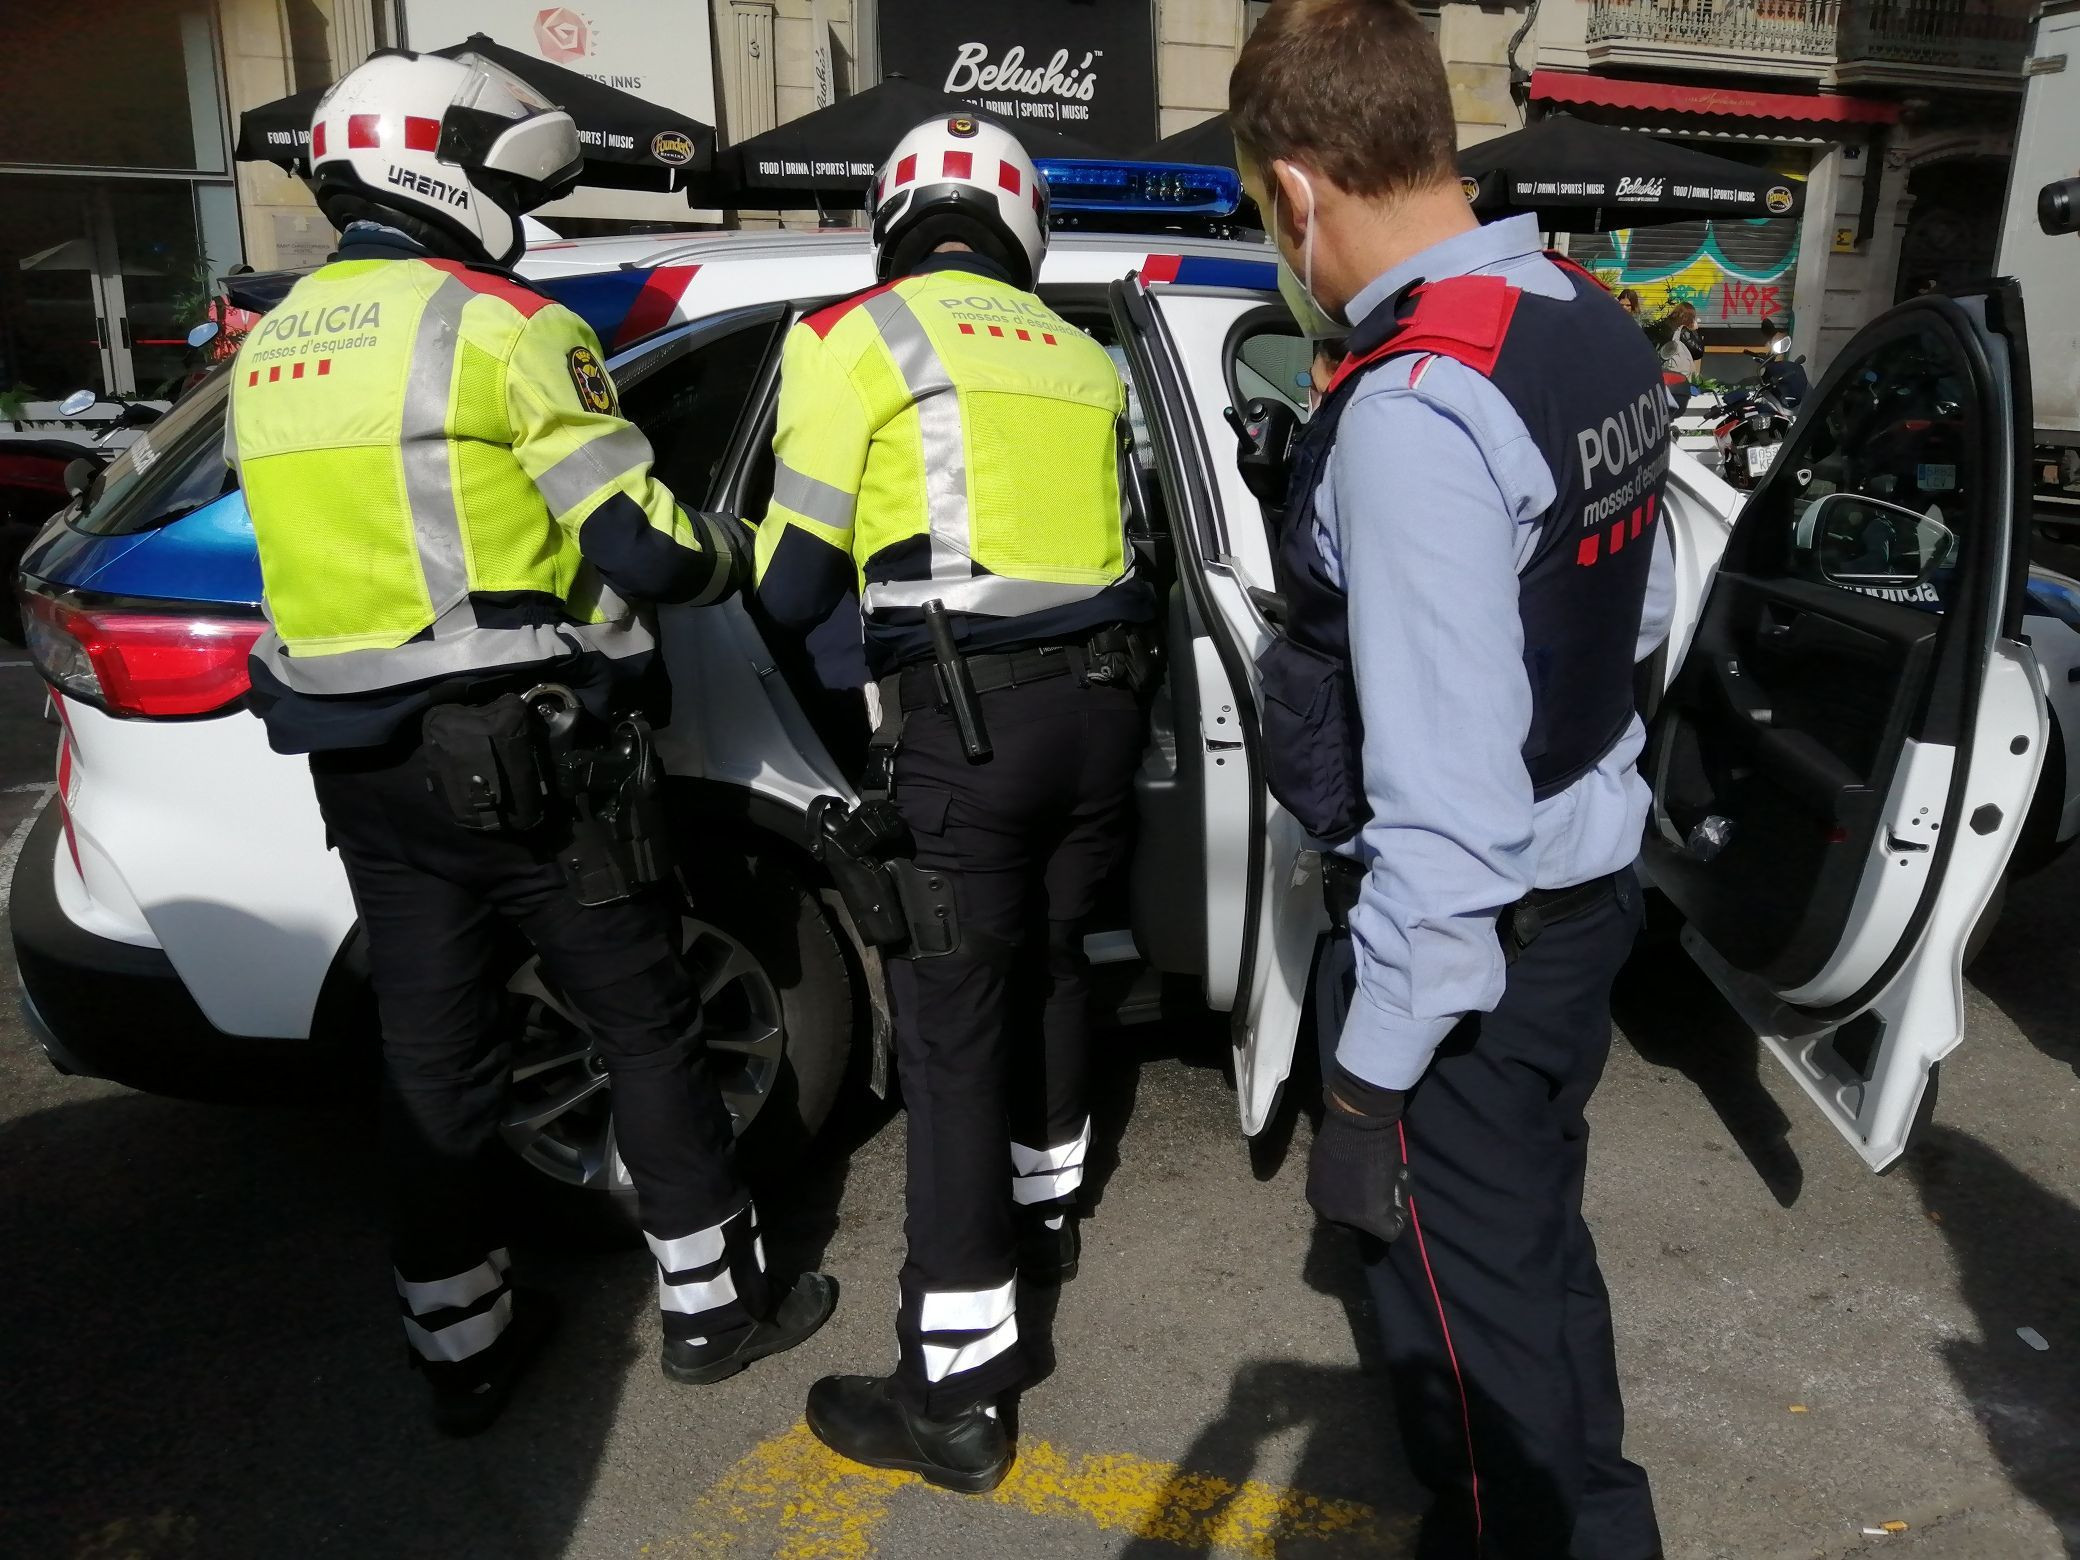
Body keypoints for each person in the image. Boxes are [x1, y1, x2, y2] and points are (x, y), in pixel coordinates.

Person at [226, 48, 834, 1436]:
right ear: (444, 170)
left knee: (434, 1066)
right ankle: (712, 1309)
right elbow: (643, 545)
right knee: (646, 1026)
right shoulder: (500, 328)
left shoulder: (272, 347)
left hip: (364, 775)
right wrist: (737, 547)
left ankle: (463, 1346)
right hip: (531, 762)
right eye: (506, 174)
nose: (519, 200)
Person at [1231, 3, 1671, 1556]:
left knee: (1483, 1408)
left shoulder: (1414, 406)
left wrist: (1364, 1081)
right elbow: (1639, 611)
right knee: (1536, 1283)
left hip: (1477, 981)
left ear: (1297, 190)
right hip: (1585, 911)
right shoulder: (1581, 316)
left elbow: (1449, 827)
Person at [753, 113, 1154, 1492]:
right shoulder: (1085, 357)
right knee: (1049, 973)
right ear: (1021, 226)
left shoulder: (850, 339)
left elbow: (792, 582)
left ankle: (954, 1388)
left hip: (968, 734)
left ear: (893, 216)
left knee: (948, 1039)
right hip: (1102, 721)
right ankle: (1045, 1218)